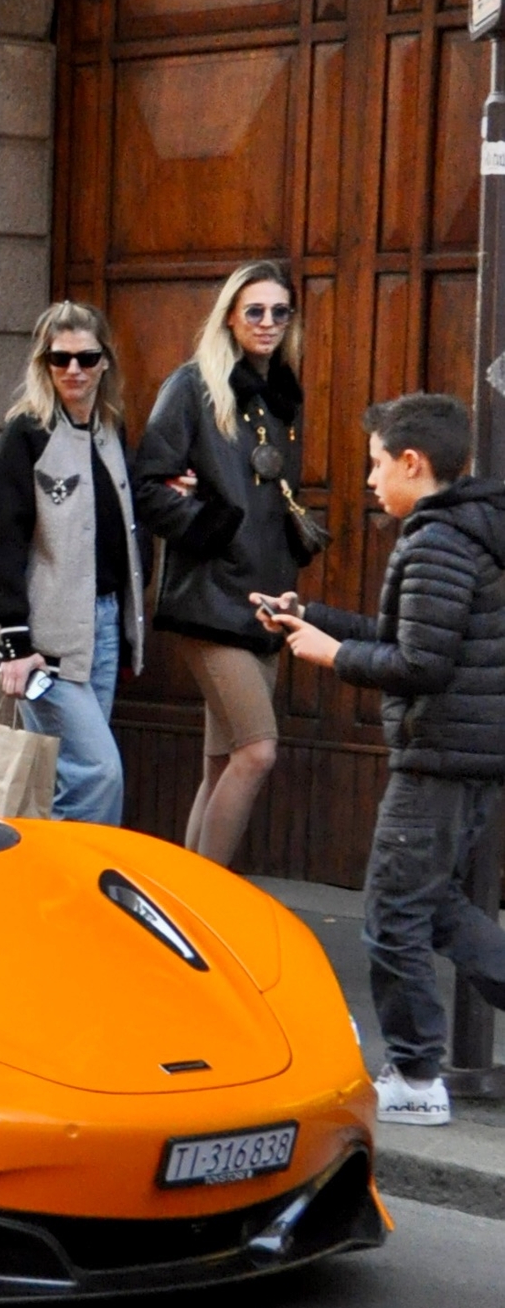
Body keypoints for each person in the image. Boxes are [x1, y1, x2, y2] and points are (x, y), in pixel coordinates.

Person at [256, 393, 505, 1129]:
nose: (367, 481)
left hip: (438, 755)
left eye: (374, 465)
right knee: (436, 912)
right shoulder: (460, 530)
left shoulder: (436, 540)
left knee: (392, 916)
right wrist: (316, 619)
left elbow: (420, 661)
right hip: (459, 751)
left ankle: (417, 1076)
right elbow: (407, 634)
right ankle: (419, 1067)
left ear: (411, 462)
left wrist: (332, 656)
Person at [134, 260, 312, 867]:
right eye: (255, 311)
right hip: (209, 594)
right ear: (231, 316)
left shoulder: (282, 393)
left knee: (221, 762)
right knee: (258, 751)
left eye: (279, 312)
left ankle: (187, 899)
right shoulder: (193, 385)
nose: (267, 323)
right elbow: (148, 485)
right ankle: (212, 902)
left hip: (266, 601)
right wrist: (212, 525)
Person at [0, 301, 144, 827]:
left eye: (86, 357)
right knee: (98, 773)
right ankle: (79, 886)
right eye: (60, 359)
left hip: (102, 628)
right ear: (43, 364)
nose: (73, 370)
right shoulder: (25, 437)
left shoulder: (109, 433)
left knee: (68, 774)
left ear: (104, 363)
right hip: (44, 647)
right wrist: (15, 644)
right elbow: (2, 544)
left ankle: (44, 895)